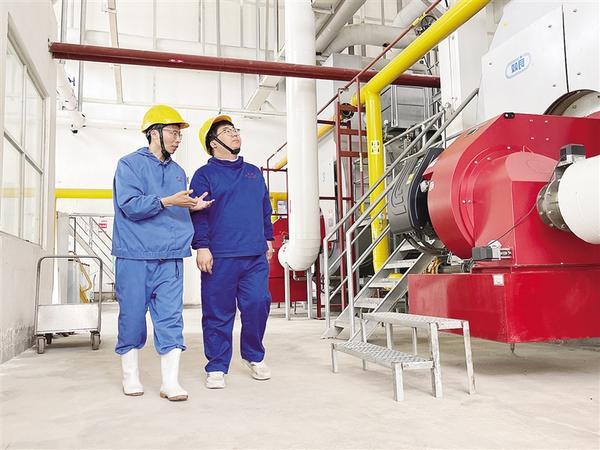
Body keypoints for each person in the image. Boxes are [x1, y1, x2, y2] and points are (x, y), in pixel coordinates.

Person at [112, 104, 213, 401]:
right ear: (153, 133)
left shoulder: (178, 172)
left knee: (170, 318)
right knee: (132, 317)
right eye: (172, 133)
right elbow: (130, 205)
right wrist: (168, 201)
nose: (178, 139)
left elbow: (174, 209)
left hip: (170, 257)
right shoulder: (129, 165)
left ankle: (170, 382)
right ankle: (131, 377)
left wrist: (192, 206)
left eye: (179, 134)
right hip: (135, 255)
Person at [190, 115, 274, 389]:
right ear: (213, 143)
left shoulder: (253, 172)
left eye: (235, 130)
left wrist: (269, 239)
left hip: (254, 254)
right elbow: (199, 214)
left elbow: (264, 208)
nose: (235, 134)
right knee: (218, 311)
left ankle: (253, 355)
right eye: (227, 131)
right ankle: (217, 365)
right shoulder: (204, 175)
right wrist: (202, 246)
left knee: (258, 303)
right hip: (220, 255)